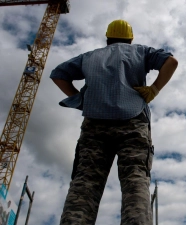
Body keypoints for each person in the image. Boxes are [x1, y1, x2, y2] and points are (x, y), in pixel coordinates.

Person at [50, 19, 178, 225]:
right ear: (130, 38)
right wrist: (153, 89)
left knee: (85, 183)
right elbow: (171, 62)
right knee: (135, 180)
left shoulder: (89, 57)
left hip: (95, 124)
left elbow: (58, 75)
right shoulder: (141, 52)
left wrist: (80, 101)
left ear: (107, 38)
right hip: (134, 121)